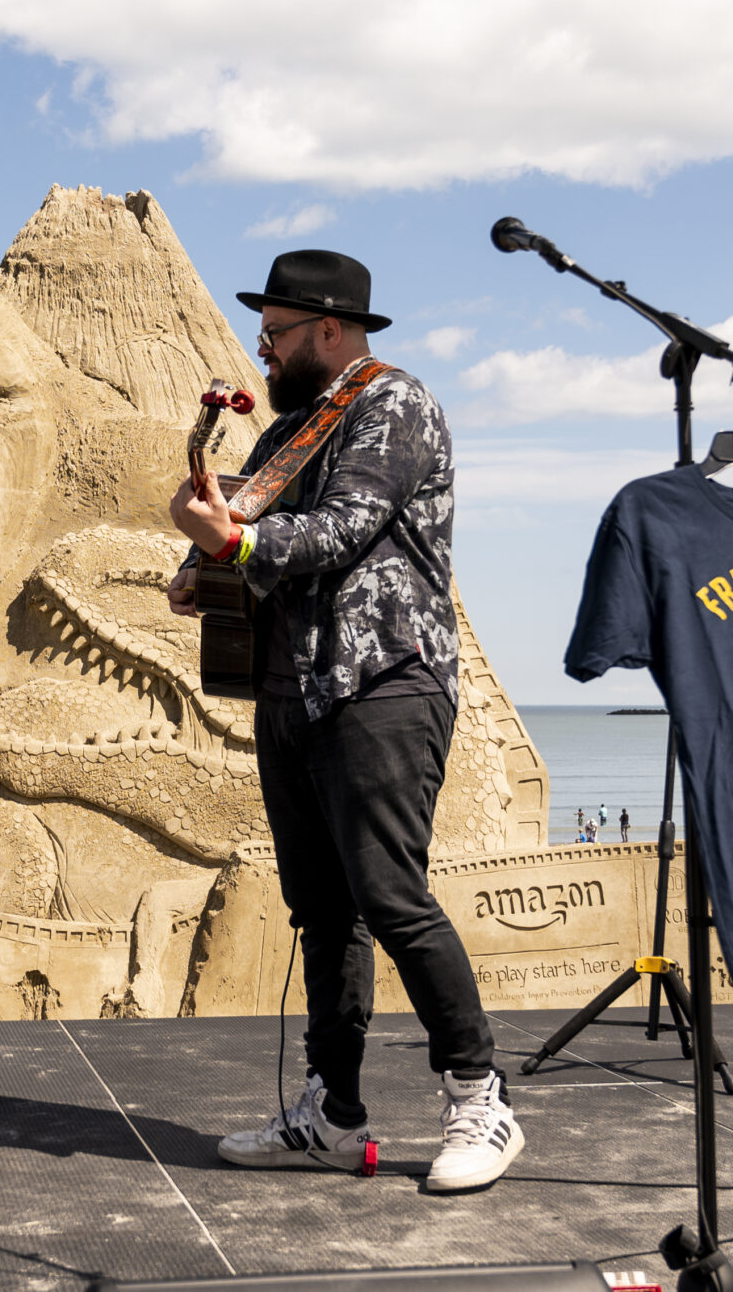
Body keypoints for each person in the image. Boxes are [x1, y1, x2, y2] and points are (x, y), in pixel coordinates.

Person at [168, 249, 521, 1191]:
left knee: (392, 899)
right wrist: (206, 564)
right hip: (294, 693)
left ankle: (481, 1099)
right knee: (323, 916)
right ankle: (333, 1110)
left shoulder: (393, 404)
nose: (263, 351)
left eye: (276, 334)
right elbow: (249, 535)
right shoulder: (291, 430)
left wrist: (235, 539)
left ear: (330, 330)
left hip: (383, 684)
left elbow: (338, 531)